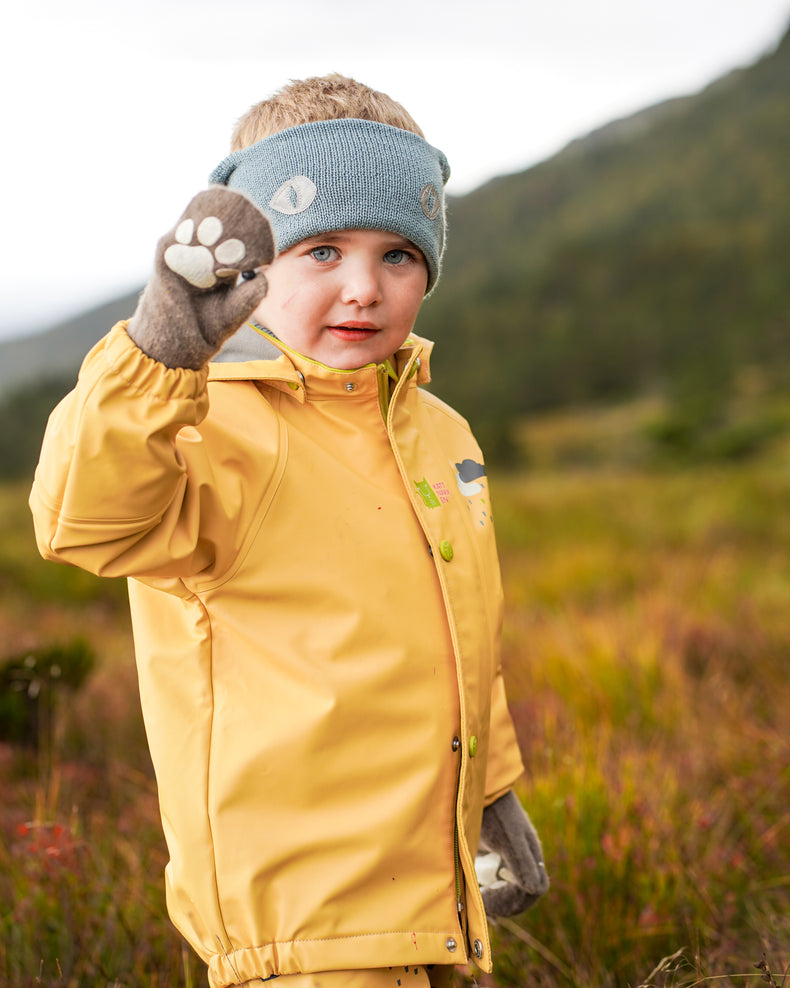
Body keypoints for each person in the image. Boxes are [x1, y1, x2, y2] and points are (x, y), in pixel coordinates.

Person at [29, 75, 548, 988]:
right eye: (321, 250)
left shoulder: (440, 432)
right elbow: (85, 522)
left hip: (425, 893)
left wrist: (492, 789)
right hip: (296, 918)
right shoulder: (201, 427)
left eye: (399, 254)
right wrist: (157, 356)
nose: (364, 288)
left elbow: (459, 637)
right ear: (251, 268)